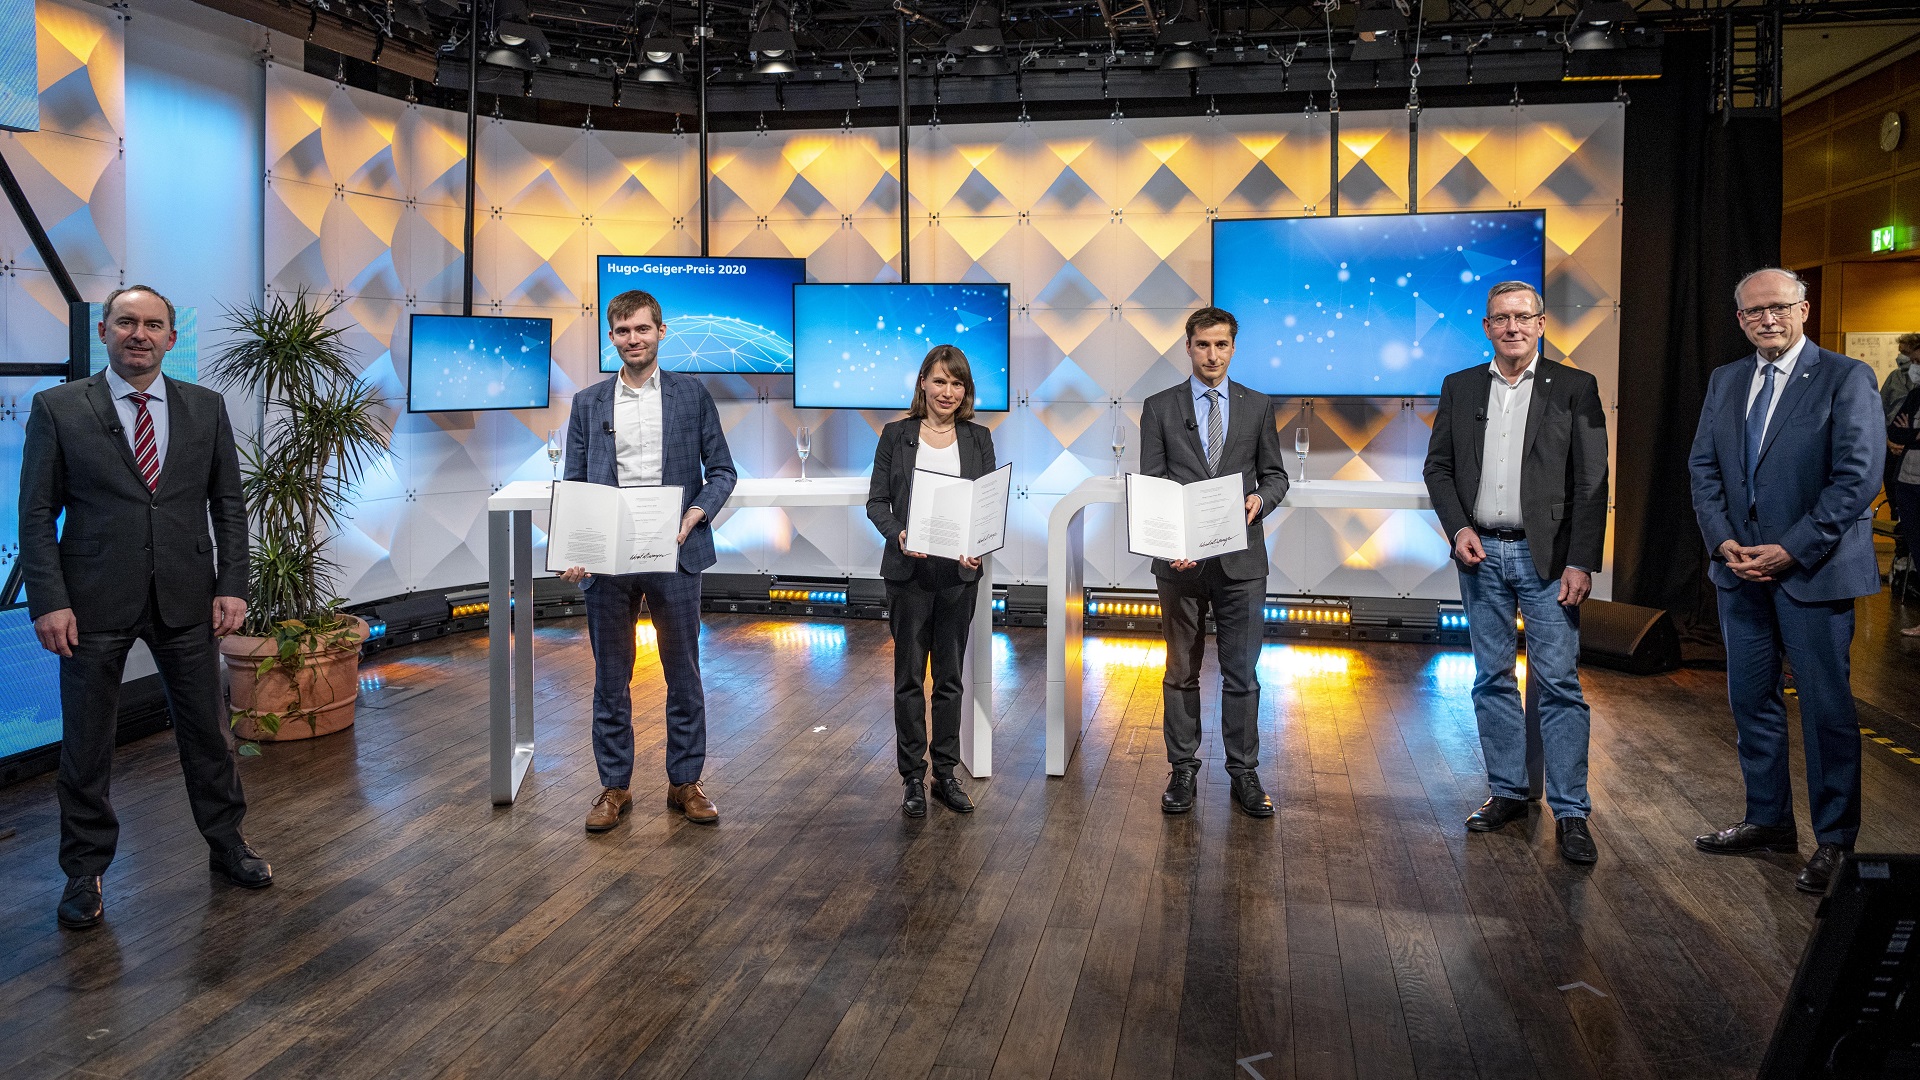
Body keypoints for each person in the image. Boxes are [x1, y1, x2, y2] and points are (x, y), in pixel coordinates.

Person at [19, 285, 269, 931]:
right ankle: (84, 870)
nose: (139, 333)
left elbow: (229, 507)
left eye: (152, 324)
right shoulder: (57, 408)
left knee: (209, 736)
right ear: (103, 331)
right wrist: (49, 601)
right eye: (126, 322)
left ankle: (227, 845)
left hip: (188, 596)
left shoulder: (206, 408)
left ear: (171, 338)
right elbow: (37, 515)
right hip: (91, 603)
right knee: (87, 746)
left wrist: (233, 584)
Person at [1687, 267, 1882, 895]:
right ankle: (1768, 820)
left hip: (1813, 572)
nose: (1766, 319)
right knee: (1751, 703)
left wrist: (1788, 550)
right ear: (1740, 319)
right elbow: (1704, 468)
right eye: (1752, 312)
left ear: (1803, 308)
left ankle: (1834, 842)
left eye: (1778, 307)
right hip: (1738, 572)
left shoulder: (1846, 377)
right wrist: (1724, 542)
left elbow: (1857, 479)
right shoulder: (1726, 379)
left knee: (1827, 711)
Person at [1422, 281, 1610, 864]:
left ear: (1541, 323)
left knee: (1558, 682)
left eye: (1523, 317)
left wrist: (1581, 558)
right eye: (1500, 318)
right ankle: (1507, 791)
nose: (1512, 328)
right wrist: (1458, 530)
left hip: (1548, 560)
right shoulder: (1460, 387)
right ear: (1486, 327)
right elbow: (1439, 468)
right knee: (1491, 677)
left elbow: (1591, 482)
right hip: (1480, 556)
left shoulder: (1576, 388)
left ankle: (1572, 811)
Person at [559, 289, 737, 829]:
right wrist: (576, 546)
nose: (633, 339)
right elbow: (575, 484)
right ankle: (614, 788)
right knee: (611, 678)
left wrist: (695, 514)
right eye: (622, 331)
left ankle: (685, 783)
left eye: (642, 329)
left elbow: (723, 472)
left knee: (683, 673)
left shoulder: (691, 395)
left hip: (676, 552)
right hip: (609, 563)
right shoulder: (587, 403)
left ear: (661, 331)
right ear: (610, 337)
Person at [1139, 306, 1289, 818]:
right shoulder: (1159, 407)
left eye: (1222, 345)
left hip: (1241, 561)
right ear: (1188, 346)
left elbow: (1276, 476)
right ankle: (1182, 770)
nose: (1212, 355)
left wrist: (1261, 501)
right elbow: (1153, 486)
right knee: (1180, 670)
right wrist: (1167, 544)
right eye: (1203, 345)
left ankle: (1243, 773)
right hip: (1179, 565)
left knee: (1242, 673)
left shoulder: (1258, 405)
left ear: (1233, 347)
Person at [865, 345, 997, 817]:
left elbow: (986, 505)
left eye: (957, 383)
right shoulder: (896, 435)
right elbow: (876, 502)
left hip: (959, 575)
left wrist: (980, 540)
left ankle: (945, 771)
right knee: (907, 679)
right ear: (922, 382)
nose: (948, 392)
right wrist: (898, 533)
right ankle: (912, 778)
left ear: (966, 391)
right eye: (939, 381)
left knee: (949, 678)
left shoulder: (978, 438)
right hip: (909, 573)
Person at [1881, 334, 1920, 582]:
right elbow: (1892, 423)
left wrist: (1909, 434)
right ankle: (1902, 562)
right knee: (1905, 521)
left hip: (1911, 461)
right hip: (1900, 464)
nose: (1904, 358)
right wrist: (1899, 437)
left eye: (1912, 356)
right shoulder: (1897, 380)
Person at [1886, 381, 1920, 632]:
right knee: (1917, 548)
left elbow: (1905, 432)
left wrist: (1911, 433)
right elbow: (1896, 432)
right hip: (1908, 481)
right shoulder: (1917, 393)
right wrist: (1913, 435)